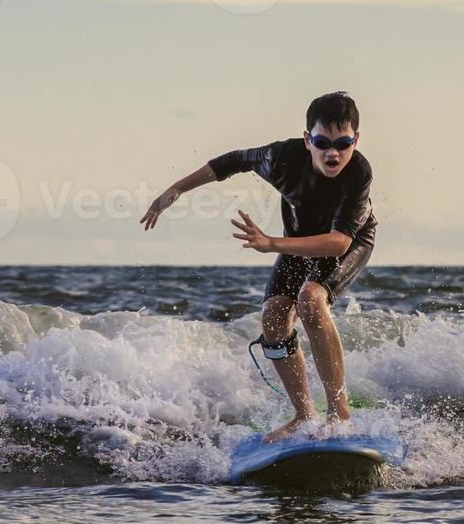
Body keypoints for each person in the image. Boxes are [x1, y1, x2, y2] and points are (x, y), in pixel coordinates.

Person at [139, 92, 376, 440]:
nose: (333, 153)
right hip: (296, 240)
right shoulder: (282, 158)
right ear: (307, 139)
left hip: (349, 241)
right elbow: (233, 160)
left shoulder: (358, 172)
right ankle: (303, 415)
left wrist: (271, 244)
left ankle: (339, 416)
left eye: (343, 143)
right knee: (273, 319)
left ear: (355, 139)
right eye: (323, 142)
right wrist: (177, 188)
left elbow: (337, 242)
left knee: (310, 299)